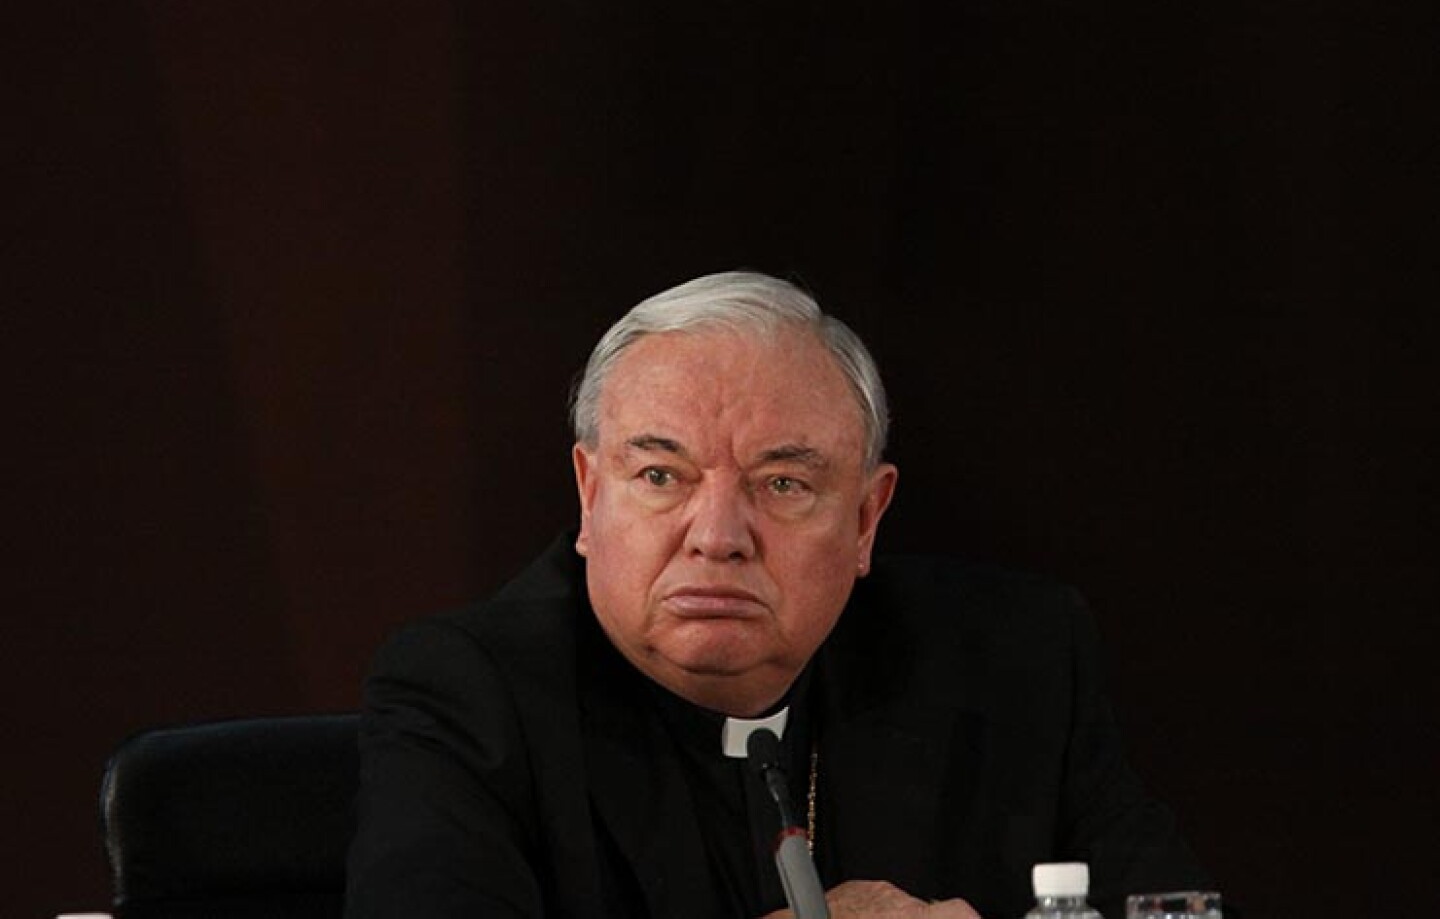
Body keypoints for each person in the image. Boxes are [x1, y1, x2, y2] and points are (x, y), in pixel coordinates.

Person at [345, 272, 1210, 919]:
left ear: (867, 518)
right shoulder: (468, 693)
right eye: (660, 474)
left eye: (784, 484)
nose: (717, 534)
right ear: (589, 494)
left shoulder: (1013, 661)